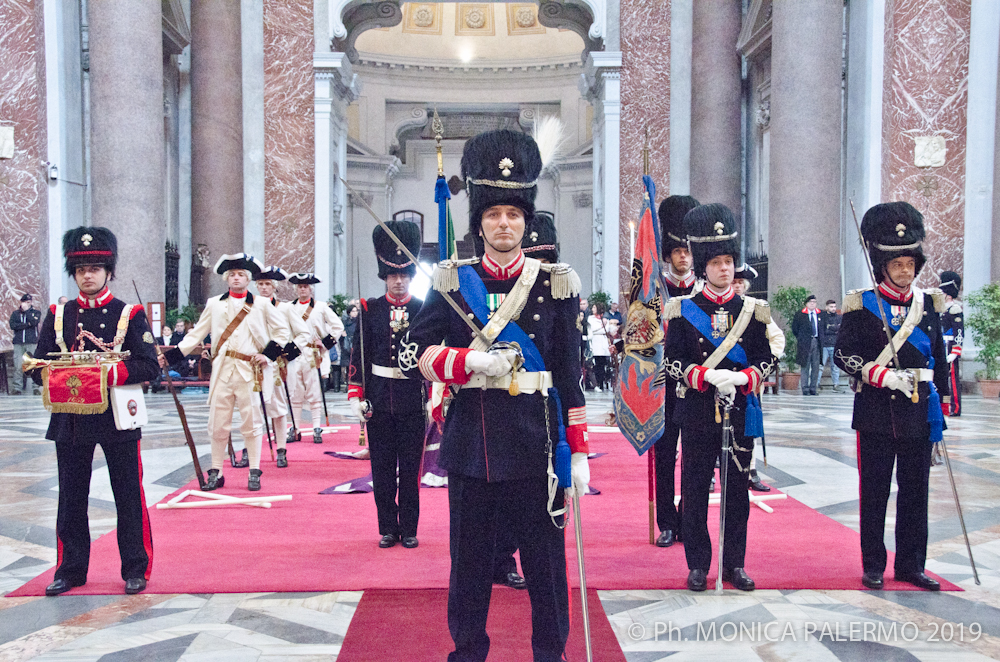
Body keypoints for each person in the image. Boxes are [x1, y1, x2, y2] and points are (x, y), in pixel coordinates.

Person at [399, 129, 589, 661]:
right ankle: (467, 652)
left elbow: (569, 374)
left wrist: (579, 452)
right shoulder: (451, 283)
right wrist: (467, 362)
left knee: (548, 572)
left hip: (539, 451)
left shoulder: (554, 283)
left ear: (526, 222)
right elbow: (416, 353)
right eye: (493, 216)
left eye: (513, 215)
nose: (504, 224)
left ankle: (551, 654)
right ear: (479, 223)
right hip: (473, 451)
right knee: (470, 570)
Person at [29, 227, 159, 595]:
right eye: (81, 268)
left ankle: (135, 567)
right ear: (74, 273)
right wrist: (60, 375)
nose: (88, 274)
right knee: (71, 497)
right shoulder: (59, 314)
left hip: (116, 415)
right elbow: (38, 366)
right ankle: (70, 570)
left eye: (96, 268)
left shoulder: (128, 314)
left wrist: (105, 374)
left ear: (109, 271)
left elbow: (149, 366)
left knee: (128, 495)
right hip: (70, 419)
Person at [834, 201, 950, 591]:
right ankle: (873, 563)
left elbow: (939, 358)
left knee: (916, 492)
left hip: (918, 410)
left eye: (910, 265)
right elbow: (843, 354)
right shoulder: (862, 304)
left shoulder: (928, 305)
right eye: (897, 264)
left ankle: (912, 565)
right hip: (876, 410)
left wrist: (942, 406)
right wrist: (880, 374)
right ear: (883, 265)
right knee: (876, 491)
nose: (904, 271)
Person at [664, 203, 774, 592]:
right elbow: (672, 362)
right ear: (703, 267)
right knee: (694, 491)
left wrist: (745, 376)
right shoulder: (682, 310)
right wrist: (704, 374)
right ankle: (697, 563)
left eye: (729, 262)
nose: (725, 269)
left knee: (737, 493)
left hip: (739, 411)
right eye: (717, 263)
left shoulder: (753, 311)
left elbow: (767, 358)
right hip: (696, 411)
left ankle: (735, 563)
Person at [161, 254, 288, 491]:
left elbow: (282, 332)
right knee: (218, 424)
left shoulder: (261, 304)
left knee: (252, 422)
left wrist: (268, 354)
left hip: (250, 371)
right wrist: (170, 357)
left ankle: (254, 471)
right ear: (226, 279)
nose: (236, 278)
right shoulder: (214, 304)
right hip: (222, 371)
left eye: (241, 274)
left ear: (248, 278)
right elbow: (196, 335)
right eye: (232, 275)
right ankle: (216, 471)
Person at [347, 221, 426, 549]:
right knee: (381, 469)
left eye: (403, 276)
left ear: (410, 277)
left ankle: (408, 528)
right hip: (378, 401)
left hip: (411, 400)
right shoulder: (370, 310)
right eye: (393, 276)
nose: (398, 281)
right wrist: (356, 394)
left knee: (409, 470)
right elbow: (358, 356)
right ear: (385, 277)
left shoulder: (423, 309)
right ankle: (387, 528)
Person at [651, 194, 699, 548]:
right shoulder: (654, 291)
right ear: (668, 255)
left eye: (688, 251)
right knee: (665, 457)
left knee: (696, 461)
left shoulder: (703, 294)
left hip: (698, 387)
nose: (684, 257)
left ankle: (690, 519)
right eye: (677, 251)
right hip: (664, 385)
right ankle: (666, 521)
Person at [253, 266, 310, 468]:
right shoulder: (251, 307)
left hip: (278, 365)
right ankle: (251, 451)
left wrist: (290, 351)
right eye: (260, 284)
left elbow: (304, 334)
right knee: (252, 408)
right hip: (256, 364)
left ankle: (281, 448)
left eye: (268, 284)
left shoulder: (285, 308)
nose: (264, 288)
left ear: (274, 286)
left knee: (278, 407)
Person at [286, 273, 344, 443]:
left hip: (313, 353)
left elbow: (338, 326)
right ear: (296, 289)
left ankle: (316, 427)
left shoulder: (321, 307)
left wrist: (325, 343)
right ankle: (295, 428)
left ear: (310, 288)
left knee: (314, 391)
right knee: (295, 392)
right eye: (300, 286)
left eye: (305, 286)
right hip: (295, 353)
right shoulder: (289, 307)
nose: (302, 289)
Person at [939, 270, 963, 418]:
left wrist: (955, 351)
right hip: (941, 345)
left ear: (948, 294)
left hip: (950, 346)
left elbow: (959, 332)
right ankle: (945, 405)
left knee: (953, 379)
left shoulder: (955, 309)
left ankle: (956, 407)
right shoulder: (942, 309)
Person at [9, 293, 42, 394]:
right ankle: (17, 388)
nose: (26, 304)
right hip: (19, 343)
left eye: (28, 302)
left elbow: (34, 323)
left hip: (31, 342)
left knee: (33, 364)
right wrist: (26, 325)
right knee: (18, 365)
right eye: (24, 302)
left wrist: (27, 311)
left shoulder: (36, 312)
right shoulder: (15, 314)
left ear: (31, 303)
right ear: (21, 302)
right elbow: (13, 325)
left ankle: (35, 387)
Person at [792, 294, 822, 395]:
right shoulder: (800, 314)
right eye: (810, 302)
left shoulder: (820, 314)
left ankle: (813, 387)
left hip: (817, 341)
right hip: (805, 343)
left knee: (816, 366)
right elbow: (795, 329)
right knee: (805, 365)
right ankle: (805, 388)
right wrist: (801, 338)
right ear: (806, 304)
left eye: (814, 302)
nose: (812, 304)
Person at [819, 299, 843, 392]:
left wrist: (830, 327)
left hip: (835, 344)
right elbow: (823, 330)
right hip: (825, 344)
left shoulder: (839, 317)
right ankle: (817, 383)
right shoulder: (823, 317)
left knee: (835, 366)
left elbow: (839, 329)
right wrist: (834, 328)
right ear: (826, 307)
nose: (833, 309)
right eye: (831, 307)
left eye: (834, 307)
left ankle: (836, 384)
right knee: (821, 365)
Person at [587, 302, 611, 391]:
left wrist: (603, 326)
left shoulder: (604, 319)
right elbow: (592, 329)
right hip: (595, 343)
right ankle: (596, 383)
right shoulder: (590, 318)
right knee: (596, 365)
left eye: (594, 307)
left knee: (602, 364)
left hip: (603, 344)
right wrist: (601, 327)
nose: (592, 309)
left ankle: (602, 383)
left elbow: (607, 329)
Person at [340, 304, 358, 393]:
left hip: (355, 346)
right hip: (347, 346)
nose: (355, 313)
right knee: (347, 366)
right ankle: (348, 384)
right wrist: (342, 335)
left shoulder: (359, 322)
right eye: (353, 311)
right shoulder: (345, 322)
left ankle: (355, 384)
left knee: (355, 365)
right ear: (349, 312)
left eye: (356, 311)